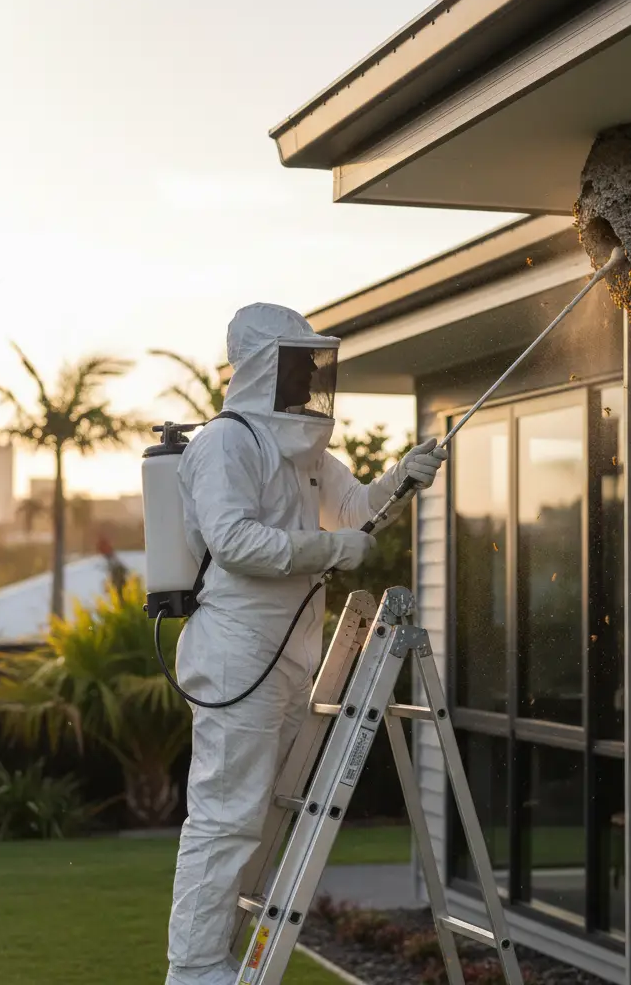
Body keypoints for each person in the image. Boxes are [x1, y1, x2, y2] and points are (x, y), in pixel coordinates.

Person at [165, 302, 447, 985]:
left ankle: (220, 953)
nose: (310, 376)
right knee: (225, 815)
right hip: (236, 654)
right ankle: (193, 966)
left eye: (312, 363)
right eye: (298, 362)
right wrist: (329, 549)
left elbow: (357, 515)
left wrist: (402, 479)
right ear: (264, 365)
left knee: (258, 814)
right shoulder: (225, 444)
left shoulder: (309, 450)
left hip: (292, 654)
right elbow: (232, 542)